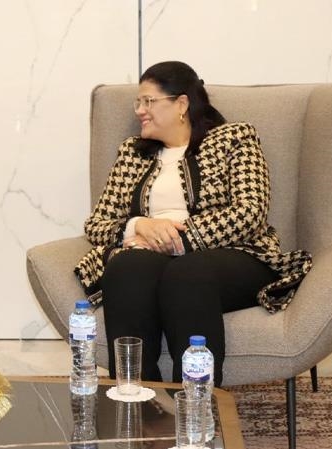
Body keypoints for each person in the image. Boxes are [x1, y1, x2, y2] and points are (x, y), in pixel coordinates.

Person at [74, 61, 312, 386]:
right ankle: (137, 398)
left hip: (236, 256)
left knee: (187, 274)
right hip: (151, 256)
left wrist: (176, 240)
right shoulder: (133, 153)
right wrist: (140, 226)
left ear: (182, 104)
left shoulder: (234, 138)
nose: (140, 111)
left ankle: (194, 403)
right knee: (126, 269)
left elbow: (251, 211)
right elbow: (97, 223)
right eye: (138, 102)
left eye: (148, 101)